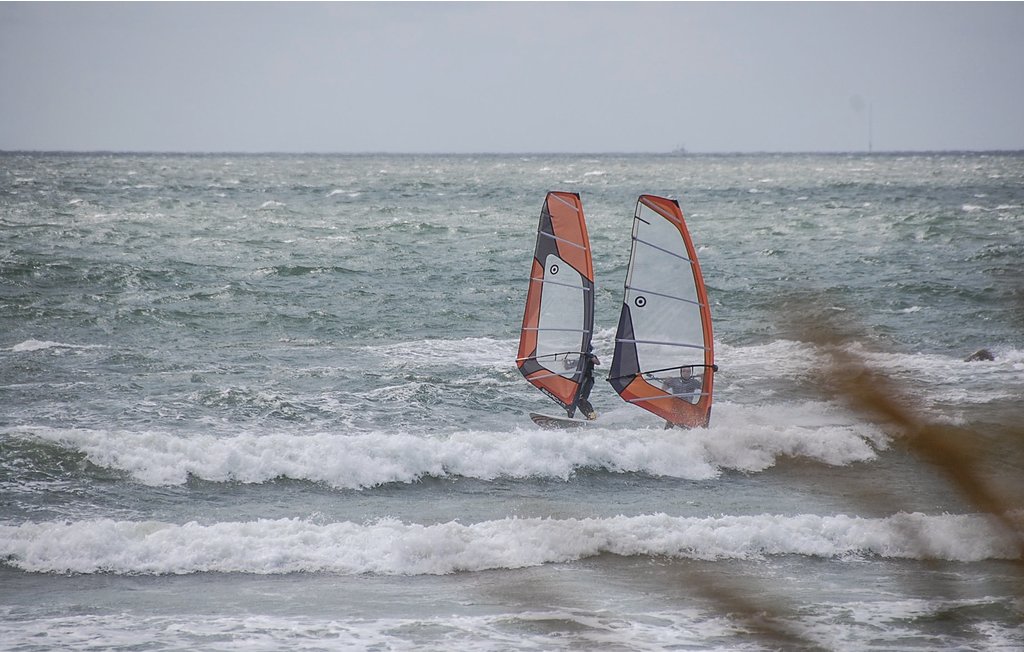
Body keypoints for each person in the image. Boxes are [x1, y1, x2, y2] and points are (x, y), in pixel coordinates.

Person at [575, 346, 600, 420]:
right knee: (577, 400)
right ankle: (588, 416)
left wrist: (588, 355)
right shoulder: (580, 359)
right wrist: (565, 362)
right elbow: (568, 367)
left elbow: (597, 362)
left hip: (588, 380)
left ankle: (592, 415)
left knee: (583, 399)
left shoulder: (591, 357)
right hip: (581, 381)